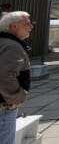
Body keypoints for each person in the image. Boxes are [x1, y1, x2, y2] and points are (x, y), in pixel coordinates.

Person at [0, 11, 33, 144]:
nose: (31, 27)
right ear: (14, 26)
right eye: (27, 24)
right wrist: (16, 98)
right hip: (5, 106)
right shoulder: (11, 46)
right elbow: (4, 76)